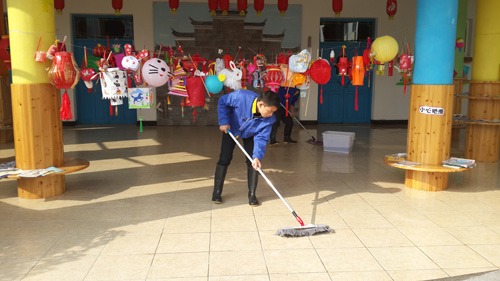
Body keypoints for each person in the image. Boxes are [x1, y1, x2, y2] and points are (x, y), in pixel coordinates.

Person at [213, 89, 280, 206]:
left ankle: (252, 195)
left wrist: (257, 156)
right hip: (232, 128)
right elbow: (223, 101)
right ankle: (217, 192)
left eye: (273, 112)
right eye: (269, 111)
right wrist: (223, 121)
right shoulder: (241, 96)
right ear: (261, 105)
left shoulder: (269, 119)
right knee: (225, 158)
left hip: (251, 133)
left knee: (252, 162)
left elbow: (262, 138)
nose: (270, 115)